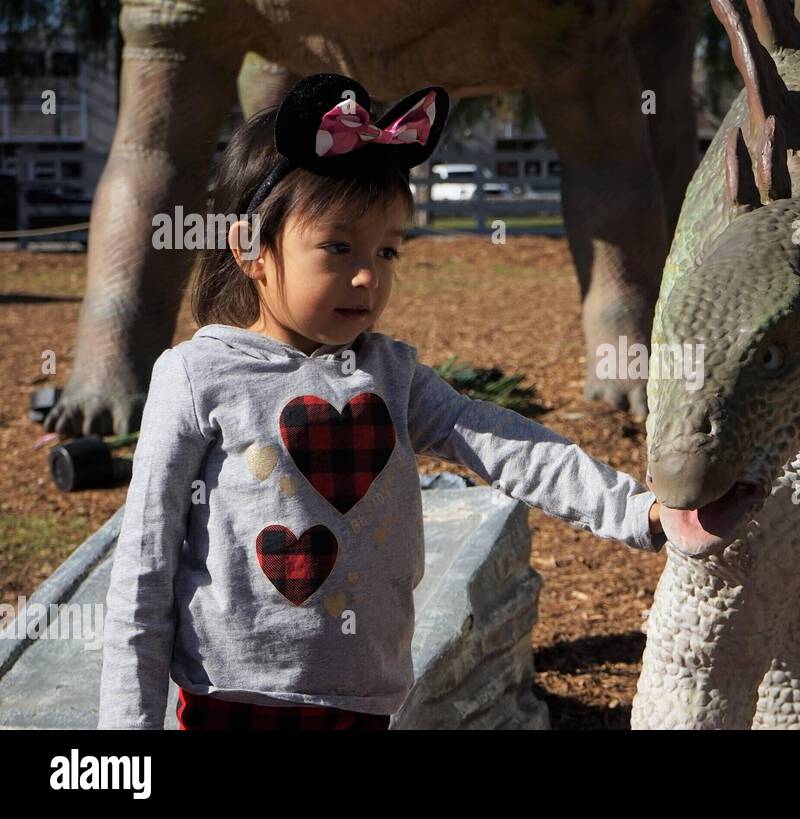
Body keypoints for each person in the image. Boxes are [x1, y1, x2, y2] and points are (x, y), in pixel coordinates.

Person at [96, 74, 666, 730]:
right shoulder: (198, 376)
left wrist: (639, 511)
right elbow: (144, 566)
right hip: (230, 704)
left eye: (387, 249)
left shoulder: (392, 375)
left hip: (362, 705)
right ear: (252, 248)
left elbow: (507, 442)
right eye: (339, 247)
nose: (369, 274)